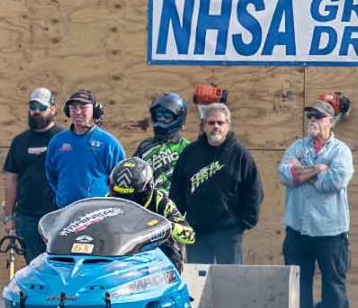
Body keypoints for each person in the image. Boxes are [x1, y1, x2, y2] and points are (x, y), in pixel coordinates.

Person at [278, 100, 355, 308]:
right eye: (310, 116)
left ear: (329, 122)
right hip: (298, 228)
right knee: (299, 282)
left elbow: (335, 182)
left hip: (331, 230)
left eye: (318, 116)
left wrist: (303, 172)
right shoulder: (297, 147)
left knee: (334, 281)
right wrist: (319, 169)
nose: (312, 120)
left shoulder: (341, 151)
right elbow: (285, 175)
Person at [169, 103, 262, 265]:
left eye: (220, 122)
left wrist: (243, 223)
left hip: (229, 235)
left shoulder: (240, 154)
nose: (216, 127)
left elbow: (254, 191)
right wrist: (176, 220)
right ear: (204, 126)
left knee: (231, 283)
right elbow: (177, 190)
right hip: (197, 233)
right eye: (211, 123)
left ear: (228, 125)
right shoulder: (190, 153)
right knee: (198, 284)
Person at [1, 87, 64, 263]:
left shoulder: (63, 139)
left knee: (60, 265)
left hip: (58, 215)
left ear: (52, 109)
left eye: (42, 108)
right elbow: (11, 179)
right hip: (27, 217)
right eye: (33, 106)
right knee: (35, 267)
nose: (36, 112)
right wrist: (8, 216)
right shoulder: (19, 141)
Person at [108, 157, 195, 274]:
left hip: (156, 258)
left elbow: (189, 236)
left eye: (133, 198)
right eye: (119, 197)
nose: (127, 203)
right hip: (121, 255)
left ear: (148, 187)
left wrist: (166, 226)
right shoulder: (108, 200)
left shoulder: (160, 201)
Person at [45, 89, 125, 208]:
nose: (77, 112)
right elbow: (51, 175)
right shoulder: (57, 142)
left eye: (83, 107)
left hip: (98, 212)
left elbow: (121, 178)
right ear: (68, 111)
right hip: (65, 211)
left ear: (95, 110)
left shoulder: (109, 143)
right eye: (73, 107)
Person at [133, 92, 191, 193]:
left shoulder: (188, 148)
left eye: (167, 115)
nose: (161, 119)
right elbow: (133, 174)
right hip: (149, 202)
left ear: (178, 118)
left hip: (177, 203)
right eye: (158, 115)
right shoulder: (145, 146)